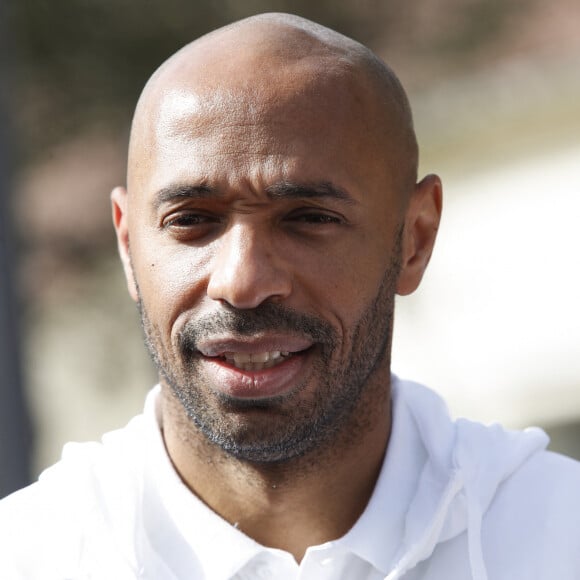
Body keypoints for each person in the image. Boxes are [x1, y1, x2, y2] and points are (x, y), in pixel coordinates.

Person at [1, 12, 579, 580]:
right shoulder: (31, 556)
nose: (242, 282)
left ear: (415, 238)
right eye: (192, 220)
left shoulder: (555, 536)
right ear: (128, 245)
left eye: (309, 218)